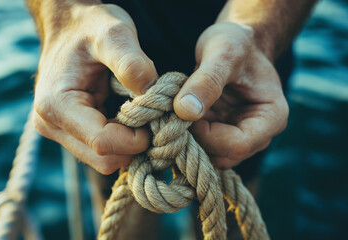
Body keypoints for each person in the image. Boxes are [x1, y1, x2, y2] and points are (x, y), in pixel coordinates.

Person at [25, 0, 316, 237]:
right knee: (127, 223)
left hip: (237, 74)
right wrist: (64, 13)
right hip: (105, 65)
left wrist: (259, 31)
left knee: (228, 224)